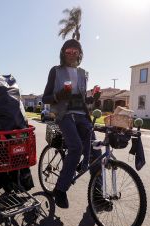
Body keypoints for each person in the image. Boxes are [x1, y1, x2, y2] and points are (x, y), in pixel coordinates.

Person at [42, 39, 101, 208]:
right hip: (64, 115)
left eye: (75, 52)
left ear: (80, 54)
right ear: (63, 52)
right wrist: (58, 96)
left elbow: (81, 100)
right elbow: (46, 97)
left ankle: (97, 195)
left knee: (96, 150)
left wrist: (93, 98)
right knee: (76, 147)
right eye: (68, 51)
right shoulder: (56, 71)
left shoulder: (83, 73)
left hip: (82, 115)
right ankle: (60, 190)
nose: (72, 54)